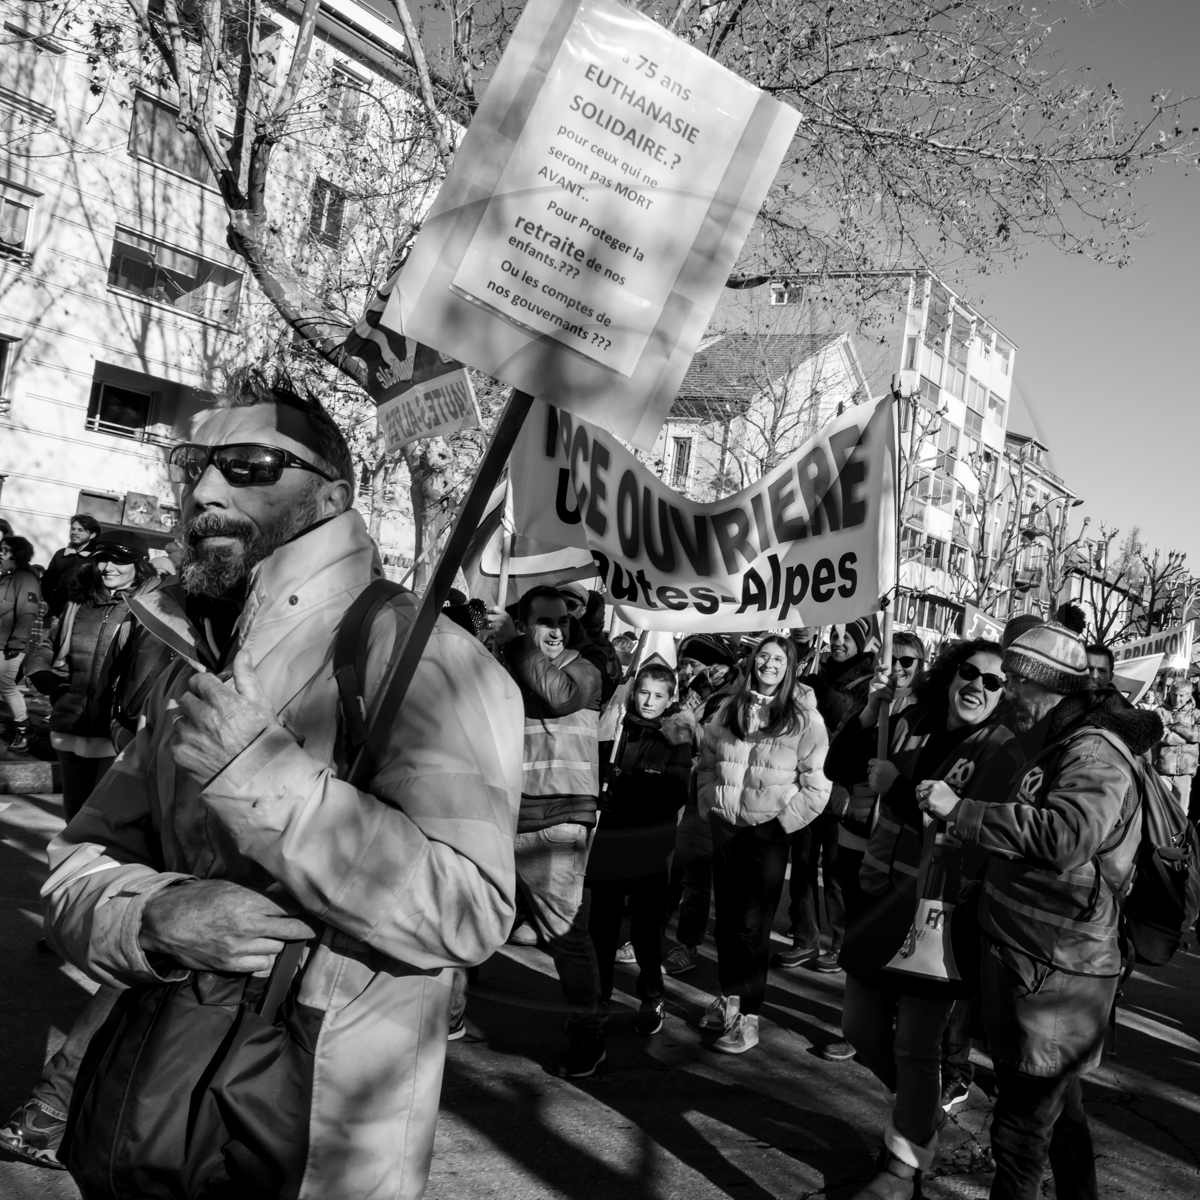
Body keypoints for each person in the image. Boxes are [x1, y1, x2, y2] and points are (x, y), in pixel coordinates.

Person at [40, 369, 523, 1196]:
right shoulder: (197, 654)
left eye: (252, 464)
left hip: (317, 1149)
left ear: (331, 496)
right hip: (161, 1117)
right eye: (194, 463)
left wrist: (259, 779)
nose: (205, 490)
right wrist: (156, 914)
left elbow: (471, 907)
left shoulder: (419, 655)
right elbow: (77, 864)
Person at [921, 622, 1159, 1200]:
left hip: (1055, 977)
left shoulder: (1095, 752)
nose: (1004, 696)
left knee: (1020, 1138)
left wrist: (964, 812)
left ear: (1043, 687)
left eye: (1012, 684)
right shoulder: (1055, 738)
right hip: (1028, 965)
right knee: (1060, 1119)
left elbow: (1068, 836)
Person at [826, 639, 1023, 1200]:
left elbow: (973, 829)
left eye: (994, 683)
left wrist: (901, 793)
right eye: (969, 672)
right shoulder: (914, 719)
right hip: (880, 902)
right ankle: (920, 1116)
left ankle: (901, 1167)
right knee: (859, 1029)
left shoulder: (1003, 750)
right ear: (949, 673)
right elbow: (841, 768)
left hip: (936, 916)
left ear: (1006, 696)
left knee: (916, 1049)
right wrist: (869, 714)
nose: (977, 687)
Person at [489, 584, 608, 1078]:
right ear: (525, 620)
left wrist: (516, 641)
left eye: (561, 621)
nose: (555, 630)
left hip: (558, 822)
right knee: (468, 915)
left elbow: (557, 696)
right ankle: (447, 1017)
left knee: (565, 934)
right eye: (544, 622)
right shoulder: (504, 662)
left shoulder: (587, 667)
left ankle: (588, 1034)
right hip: (499, 816)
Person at [695, 635, 831, 1054]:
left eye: (779, 659)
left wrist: (782, 824)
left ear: (790, 668)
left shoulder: (804, 718)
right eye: (764, 657)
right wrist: (708, 804)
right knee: (728, 923)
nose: (769, 665)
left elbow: (817, 785)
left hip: (767, 835)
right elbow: (707, 760)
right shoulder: (729, 707)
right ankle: (729, 998)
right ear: (753, 662)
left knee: (753, 928)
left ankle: (749, 1018)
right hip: (725, 829)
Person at [776, 632, 927, 975]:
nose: (899, 670)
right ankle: (818, 946)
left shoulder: (930, 714)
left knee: (887, 930)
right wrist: (870, 713)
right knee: (848, 902)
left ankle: (852, 957)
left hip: (899, 840)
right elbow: (836, 764)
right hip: (855, 825)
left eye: (907, 662)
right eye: (892, 662)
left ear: (921, 666)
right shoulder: (868, 706)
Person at [24, 532, 162, 819]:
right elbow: (47, 646)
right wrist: (41, 675)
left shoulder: (152, 608)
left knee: (104, 820)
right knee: (73, 817)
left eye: (120, 560)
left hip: (117, 729)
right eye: (102, 559)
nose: (108, 567)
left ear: (140, 565)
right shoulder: (78, 602)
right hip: (70, 721)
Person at [587, 662, 692, 1035]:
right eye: (644, 692)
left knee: (647, 927)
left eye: (658, 695)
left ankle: (652, 994)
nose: (649, 701)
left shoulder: (676, 739)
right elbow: (594, 771)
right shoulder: (616, 726)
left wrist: (627, 783)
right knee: (602, 922)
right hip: (613, 835)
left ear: (670, 699)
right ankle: (598, 994)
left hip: (650, 839)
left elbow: (675, 791)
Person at [663, 634, 739, 976]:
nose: (686, 669)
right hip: (681, 787)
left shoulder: (733, 699)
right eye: (685, 662)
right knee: (668, 870)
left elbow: (712, 744)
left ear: (714, 666)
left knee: (697, 877)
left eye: (693, 664)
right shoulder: (694, 692)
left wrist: (687, 723)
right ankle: (651, 935)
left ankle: (689, 946)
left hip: (710, 795)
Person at [0, 535, 41, 753]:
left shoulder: (25, 578)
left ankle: (25, 730)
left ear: (17, 553)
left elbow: (28, 611)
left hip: (9, 644)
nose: (0, 552)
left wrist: (17, 641)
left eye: (5, 549)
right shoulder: (7, 576)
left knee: (6, 688)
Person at [1152, 674, 1200, 815]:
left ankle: (1177, 837)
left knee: (1181, 813)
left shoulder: (1197, 714)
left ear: (1188, 696)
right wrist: (1187, 739)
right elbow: (1161, 734)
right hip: (1162, 769)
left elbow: (1198, 734)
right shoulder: (1160, 711)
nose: (1177, 699)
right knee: (1159, 811)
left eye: (1181, 695)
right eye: (1174, 695)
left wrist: (1175, 726)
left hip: (1184, 772)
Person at [40, 513, 101, 618]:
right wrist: (53, 601)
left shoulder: (97, 557)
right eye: (73, 529)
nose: (74, 532)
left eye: (80, 530)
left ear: (93, 535)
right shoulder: (60, 554)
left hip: (83, 615)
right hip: (56, 614)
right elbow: (47, 581)